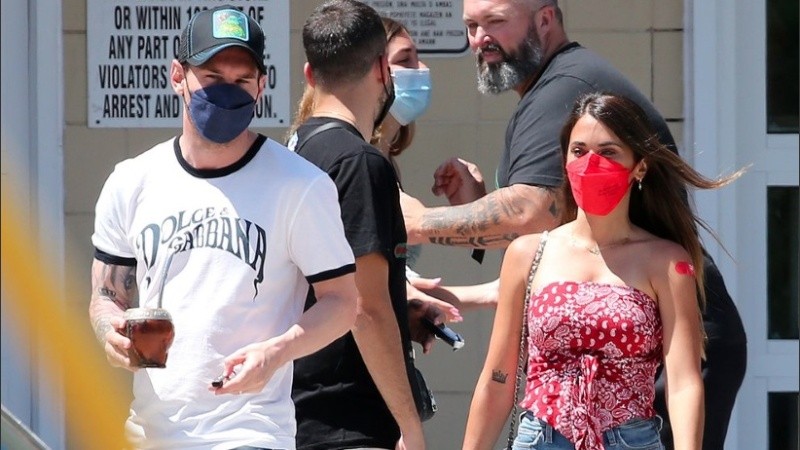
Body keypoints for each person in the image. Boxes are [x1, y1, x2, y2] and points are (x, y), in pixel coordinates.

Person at [400, 1, 747, 447]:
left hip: (656, 370)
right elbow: (558, 275)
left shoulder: (566, 89)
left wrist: (418, 222)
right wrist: (459, 293)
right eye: (471, 25)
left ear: (544, 19)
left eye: (496, 22)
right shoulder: (543, 110)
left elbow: (531, 212)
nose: (480, 38)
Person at [88, 6, 359, 449]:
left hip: (249, 431)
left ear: (261, 86)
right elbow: (106, 296)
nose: (227, 92)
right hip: (148, 432)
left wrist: (276, 353)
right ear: (179, 76)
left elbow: (343, 303)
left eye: (241, 81)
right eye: (212, 78)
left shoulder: (300, 186)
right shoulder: (132, 181)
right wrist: (112, 333)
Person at [464, 92, 743, 450]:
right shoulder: (528, 253)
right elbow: (497, 378)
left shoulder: (668, 262)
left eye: (609, 152)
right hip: (541, 439)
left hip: (629, 439)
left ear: (639, 167)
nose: (591, 164)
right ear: (564, 161)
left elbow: (684, 382)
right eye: (579, 151)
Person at [289, 2, 426, 449]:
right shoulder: (360, 163)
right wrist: (410, 427)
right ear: (383, 70)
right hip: (347, 424)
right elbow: (365, 309)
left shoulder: (293, 153)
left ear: (310, 75)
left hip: (296, 415)